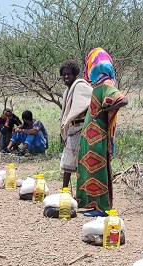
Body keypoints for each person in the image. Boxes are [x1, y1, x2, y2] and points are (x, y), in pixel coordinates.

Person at [76, 48, 127, 214]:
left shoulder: (106, 84)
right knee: (89, 170)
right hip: (91, 138)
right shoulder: (99, 85)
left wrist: (104, 112)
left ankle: (102, 207)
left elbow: (122, 100)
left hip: (98, 137)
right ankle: (92, 204)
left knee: (98, 171)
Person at [59, 60, 93, 192]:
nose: (66, 77)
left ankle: (80, 192)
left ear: (74, 74)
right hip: (72, 129)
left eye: (69, 74)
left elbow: (91, 99)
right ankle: (65, 191)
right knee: (68, 162)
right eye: (64, 75)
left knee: (80, 163)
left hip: (81, 128)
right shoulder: (67, 91)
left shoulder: (80, 86)